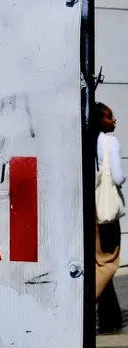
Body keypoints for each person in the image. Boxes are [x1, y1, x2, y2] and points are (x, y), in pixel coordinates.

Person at [97, 102, 125, 333]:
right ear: (100, 120)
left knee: (97, 261)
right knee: (108, 263)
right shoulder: (109, 142)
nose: (114, 120)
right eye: (109, 116)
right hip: (106, 213)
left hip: (90, 211)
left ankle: (110, 318)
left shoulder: (85, 141)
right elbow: (118, 177)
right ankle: (85, 302)